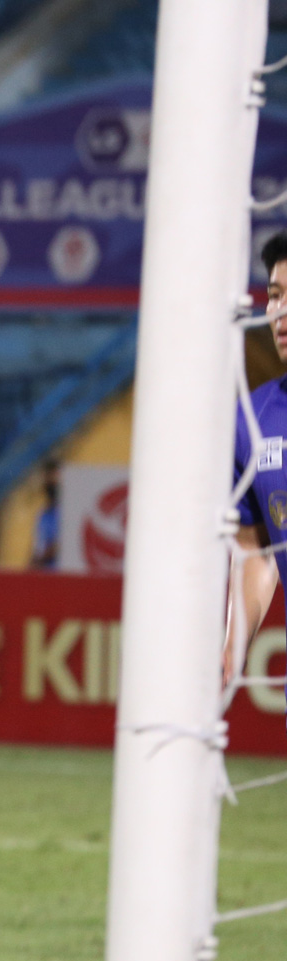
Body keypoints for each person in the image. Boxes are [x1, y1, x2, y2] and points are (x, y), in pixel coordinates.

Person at [227, 233, 287, 685]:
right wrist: (233, 648)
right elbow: (256, 547)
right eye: (274, 296)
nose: (279, 313)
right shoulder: (253, 418)